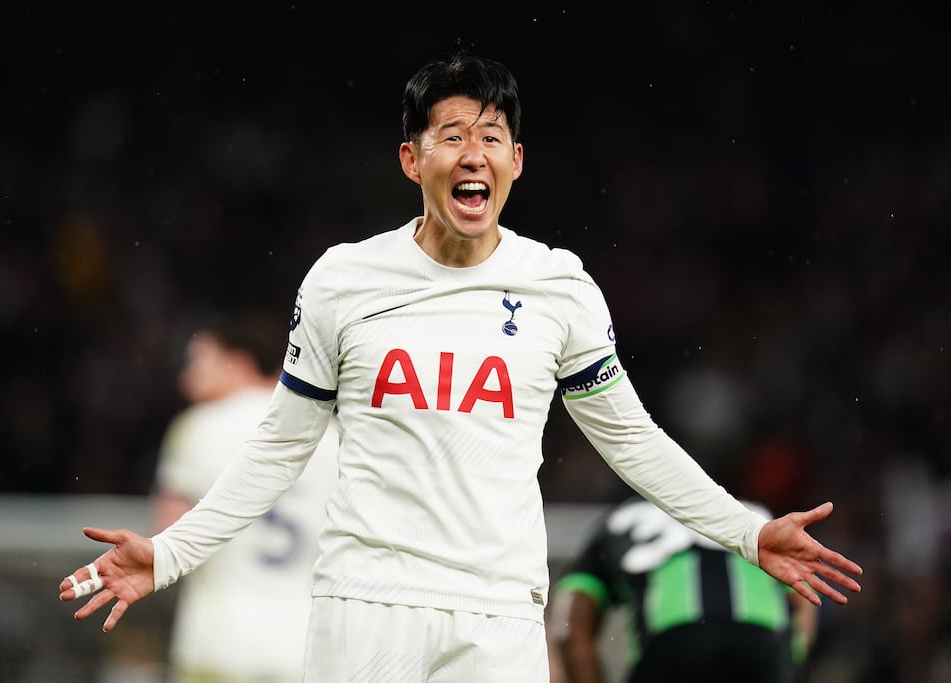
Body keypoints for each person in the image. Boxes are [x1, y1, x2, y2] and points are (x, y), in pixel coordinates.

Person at [59, 52, 862, 683]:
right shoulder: (343, 278)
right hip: (366, 602)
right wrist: (170, 552)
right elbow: (280, 445)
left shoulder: (560, 286)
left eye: (490, 137)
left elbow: (634, 442)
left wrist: (747, 533)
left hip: (499, 611)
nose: (472, 153)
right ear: (412, 160)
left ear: (517, 159)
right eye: (451, 135)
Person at [149, 311, 339, 682]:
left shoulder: (199, 427)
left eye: (199, 362)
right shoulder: (332, 435)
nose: (187, 378)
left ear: (240, 360)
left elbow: (166, 536)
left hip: (217, 640)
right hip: (302, 643)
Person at [547, 497, 818, 683]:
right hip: (764, 641)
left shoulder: (616, 522)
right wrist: (789, 661)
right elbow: (802, 596)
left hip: (672, 645)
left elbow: (568, 628)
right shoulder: (749, 511)